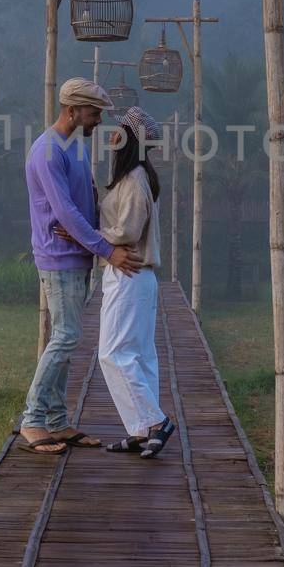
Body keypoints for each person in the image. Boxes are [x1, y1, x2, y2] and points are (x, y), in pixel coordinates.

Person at [19, 78, 142, 454]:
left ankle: (57, 421)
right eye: (93, 114)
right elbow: (65, 212)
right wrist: (107, 249)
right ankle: (32, 420)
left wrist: (98, 238)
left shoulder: (74, 147)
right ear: (72, 111)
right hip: (57, 258)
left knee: (67, 336)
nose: (98, 121)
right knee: (66, 336)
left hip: (77, 256)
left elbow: (85, 201)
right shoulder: (48, 151)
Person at [97, 106, 175, 459]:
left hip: (128, 272)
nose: (111, 134)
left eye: (118, 129)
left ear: (128, 138)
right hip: (138, 277)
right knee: (141, 356)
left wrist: (89, 235)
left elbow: (127, 231)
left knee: (112, 353)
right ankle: (142, 430)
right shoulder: (136, 176)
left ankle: (155, 422)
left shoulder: (135, 180)